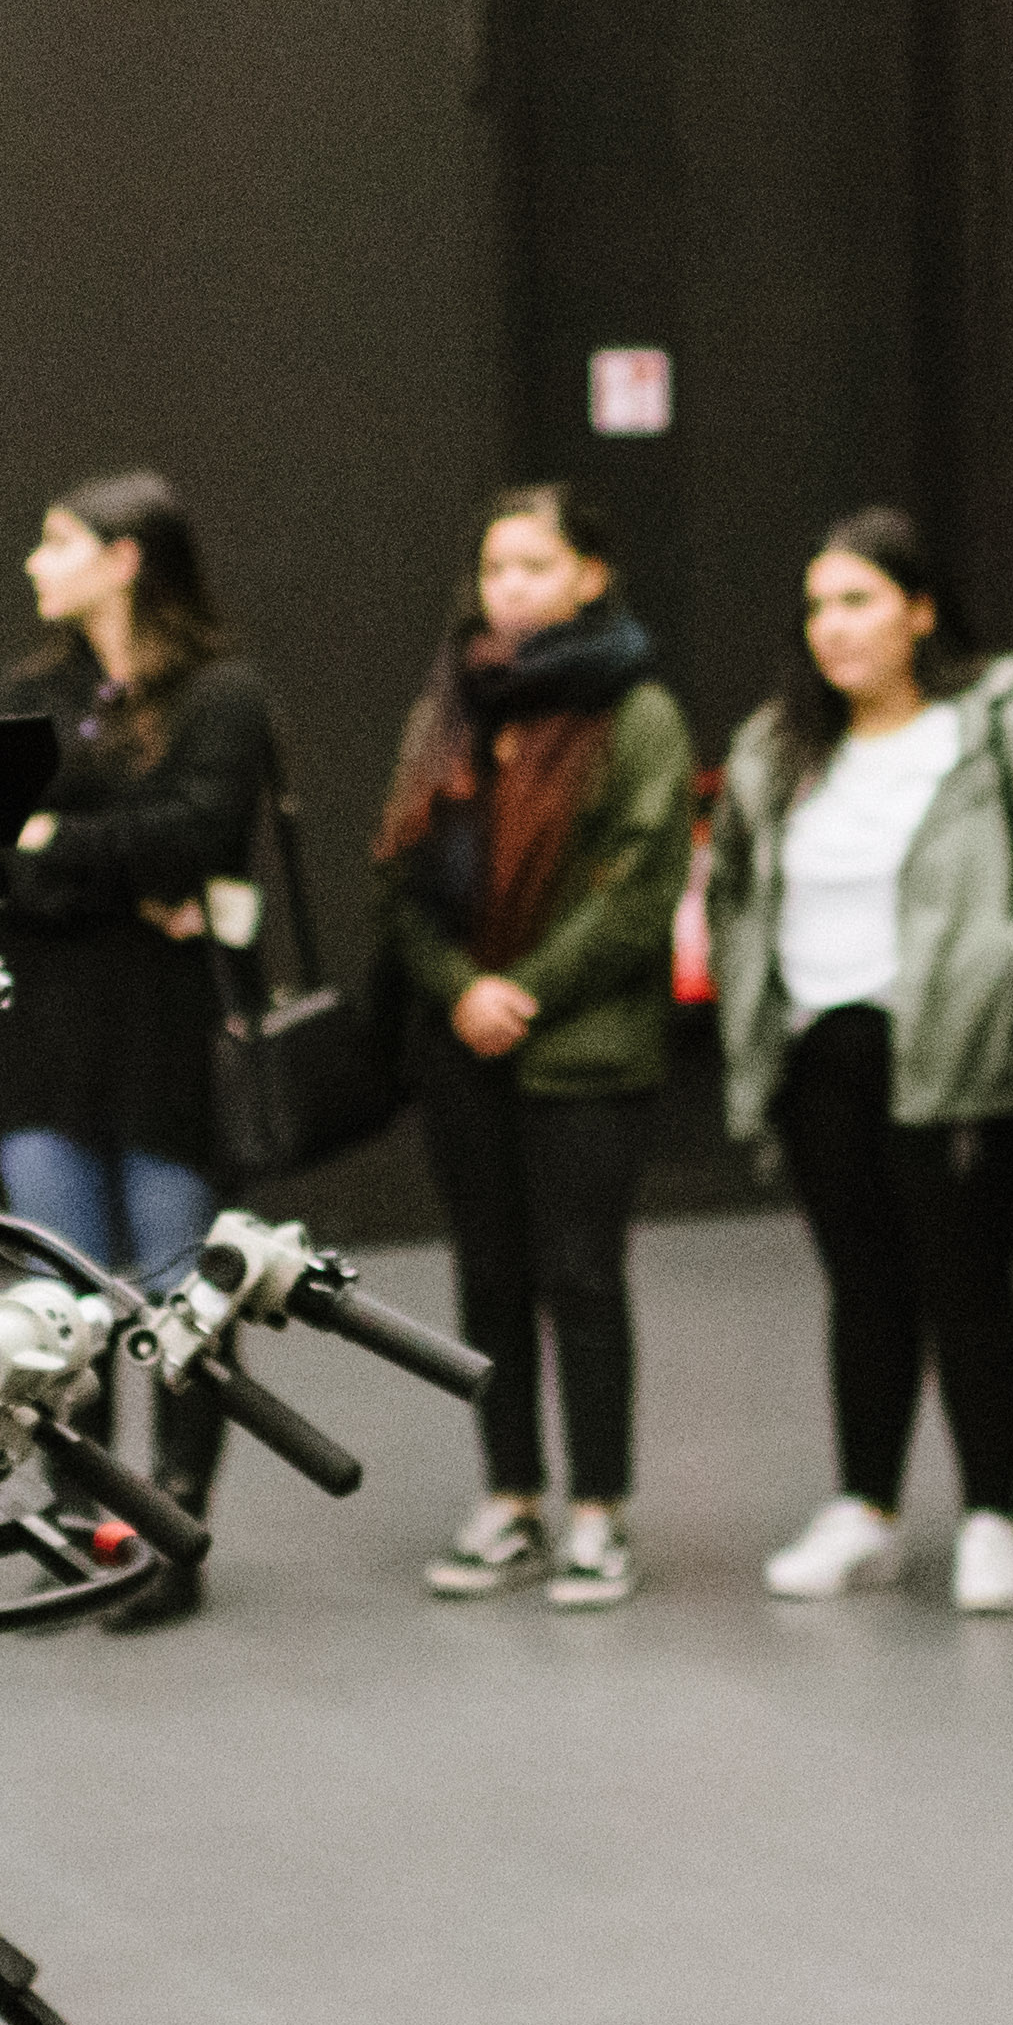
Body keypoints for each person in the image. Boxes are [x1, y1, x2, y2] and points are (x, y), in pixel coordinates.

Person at [708, 507, 1013, 1616]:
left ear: (920, 612)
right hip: (818, 1054)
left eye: (858, 601)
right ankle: (865, 1512)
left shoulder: (1000, 724)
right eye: (817, 606)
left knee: (967, 1287)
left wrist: (1006, 956)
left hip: (954, 1057)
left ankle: (992, 1520)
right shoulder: (777, 745)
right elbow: (733, 885)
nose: (832, 626)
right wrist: (750, 998)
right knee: (862, 1289)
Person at [373, 481, 695, 1608]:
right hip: (463, 1043)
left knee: (582, 1275)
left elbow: (638, 890)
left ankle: (598, 1512)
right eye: (495, 568)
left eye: (534, 567)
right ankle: (509, 1497)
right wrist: (464, 989)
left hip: (584, 1050)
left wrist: (524, 991)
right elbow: (401, 881)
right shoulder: (451, 707)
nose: (508, 588)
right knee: (488, 1276)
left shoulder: (638, 713)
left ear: (589, 578)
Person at [0, 471, 279, 1619]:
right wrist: (116, 868)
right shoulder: (26, 695)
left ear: (125, 558)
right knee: (58, 1294)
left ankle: (172, 1529)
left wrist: (57, 841)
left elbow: (201, 832)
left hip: (166, 1031)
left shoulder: (222, 693)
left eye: (57, 542)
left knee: (175, 1293)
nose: (33, 562)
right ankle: (81, 1519)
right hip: (44, 1032)